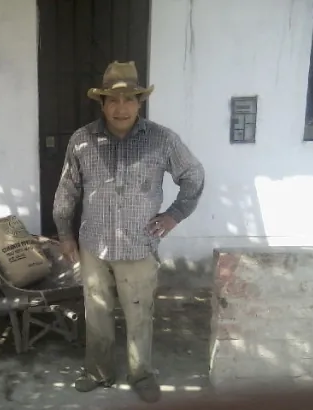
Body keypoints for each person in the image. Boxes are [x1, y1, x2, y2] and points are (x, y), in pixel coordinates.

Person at [52, 61, 205, 403]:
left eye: (129, 100)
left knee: (139, 315)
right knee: (97, 313)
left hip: (138, 248)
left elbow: (193, 175)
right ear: (102, 103)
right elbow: (67, 189)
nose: (121, 108)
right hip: (94, 246)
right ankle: (98, 371)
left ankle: (141, 374)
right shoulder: (82, 141)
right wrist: (65, 233)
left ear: (139, 102)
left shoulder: (162, 140)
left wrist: (174, 215)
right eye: (113, 100)